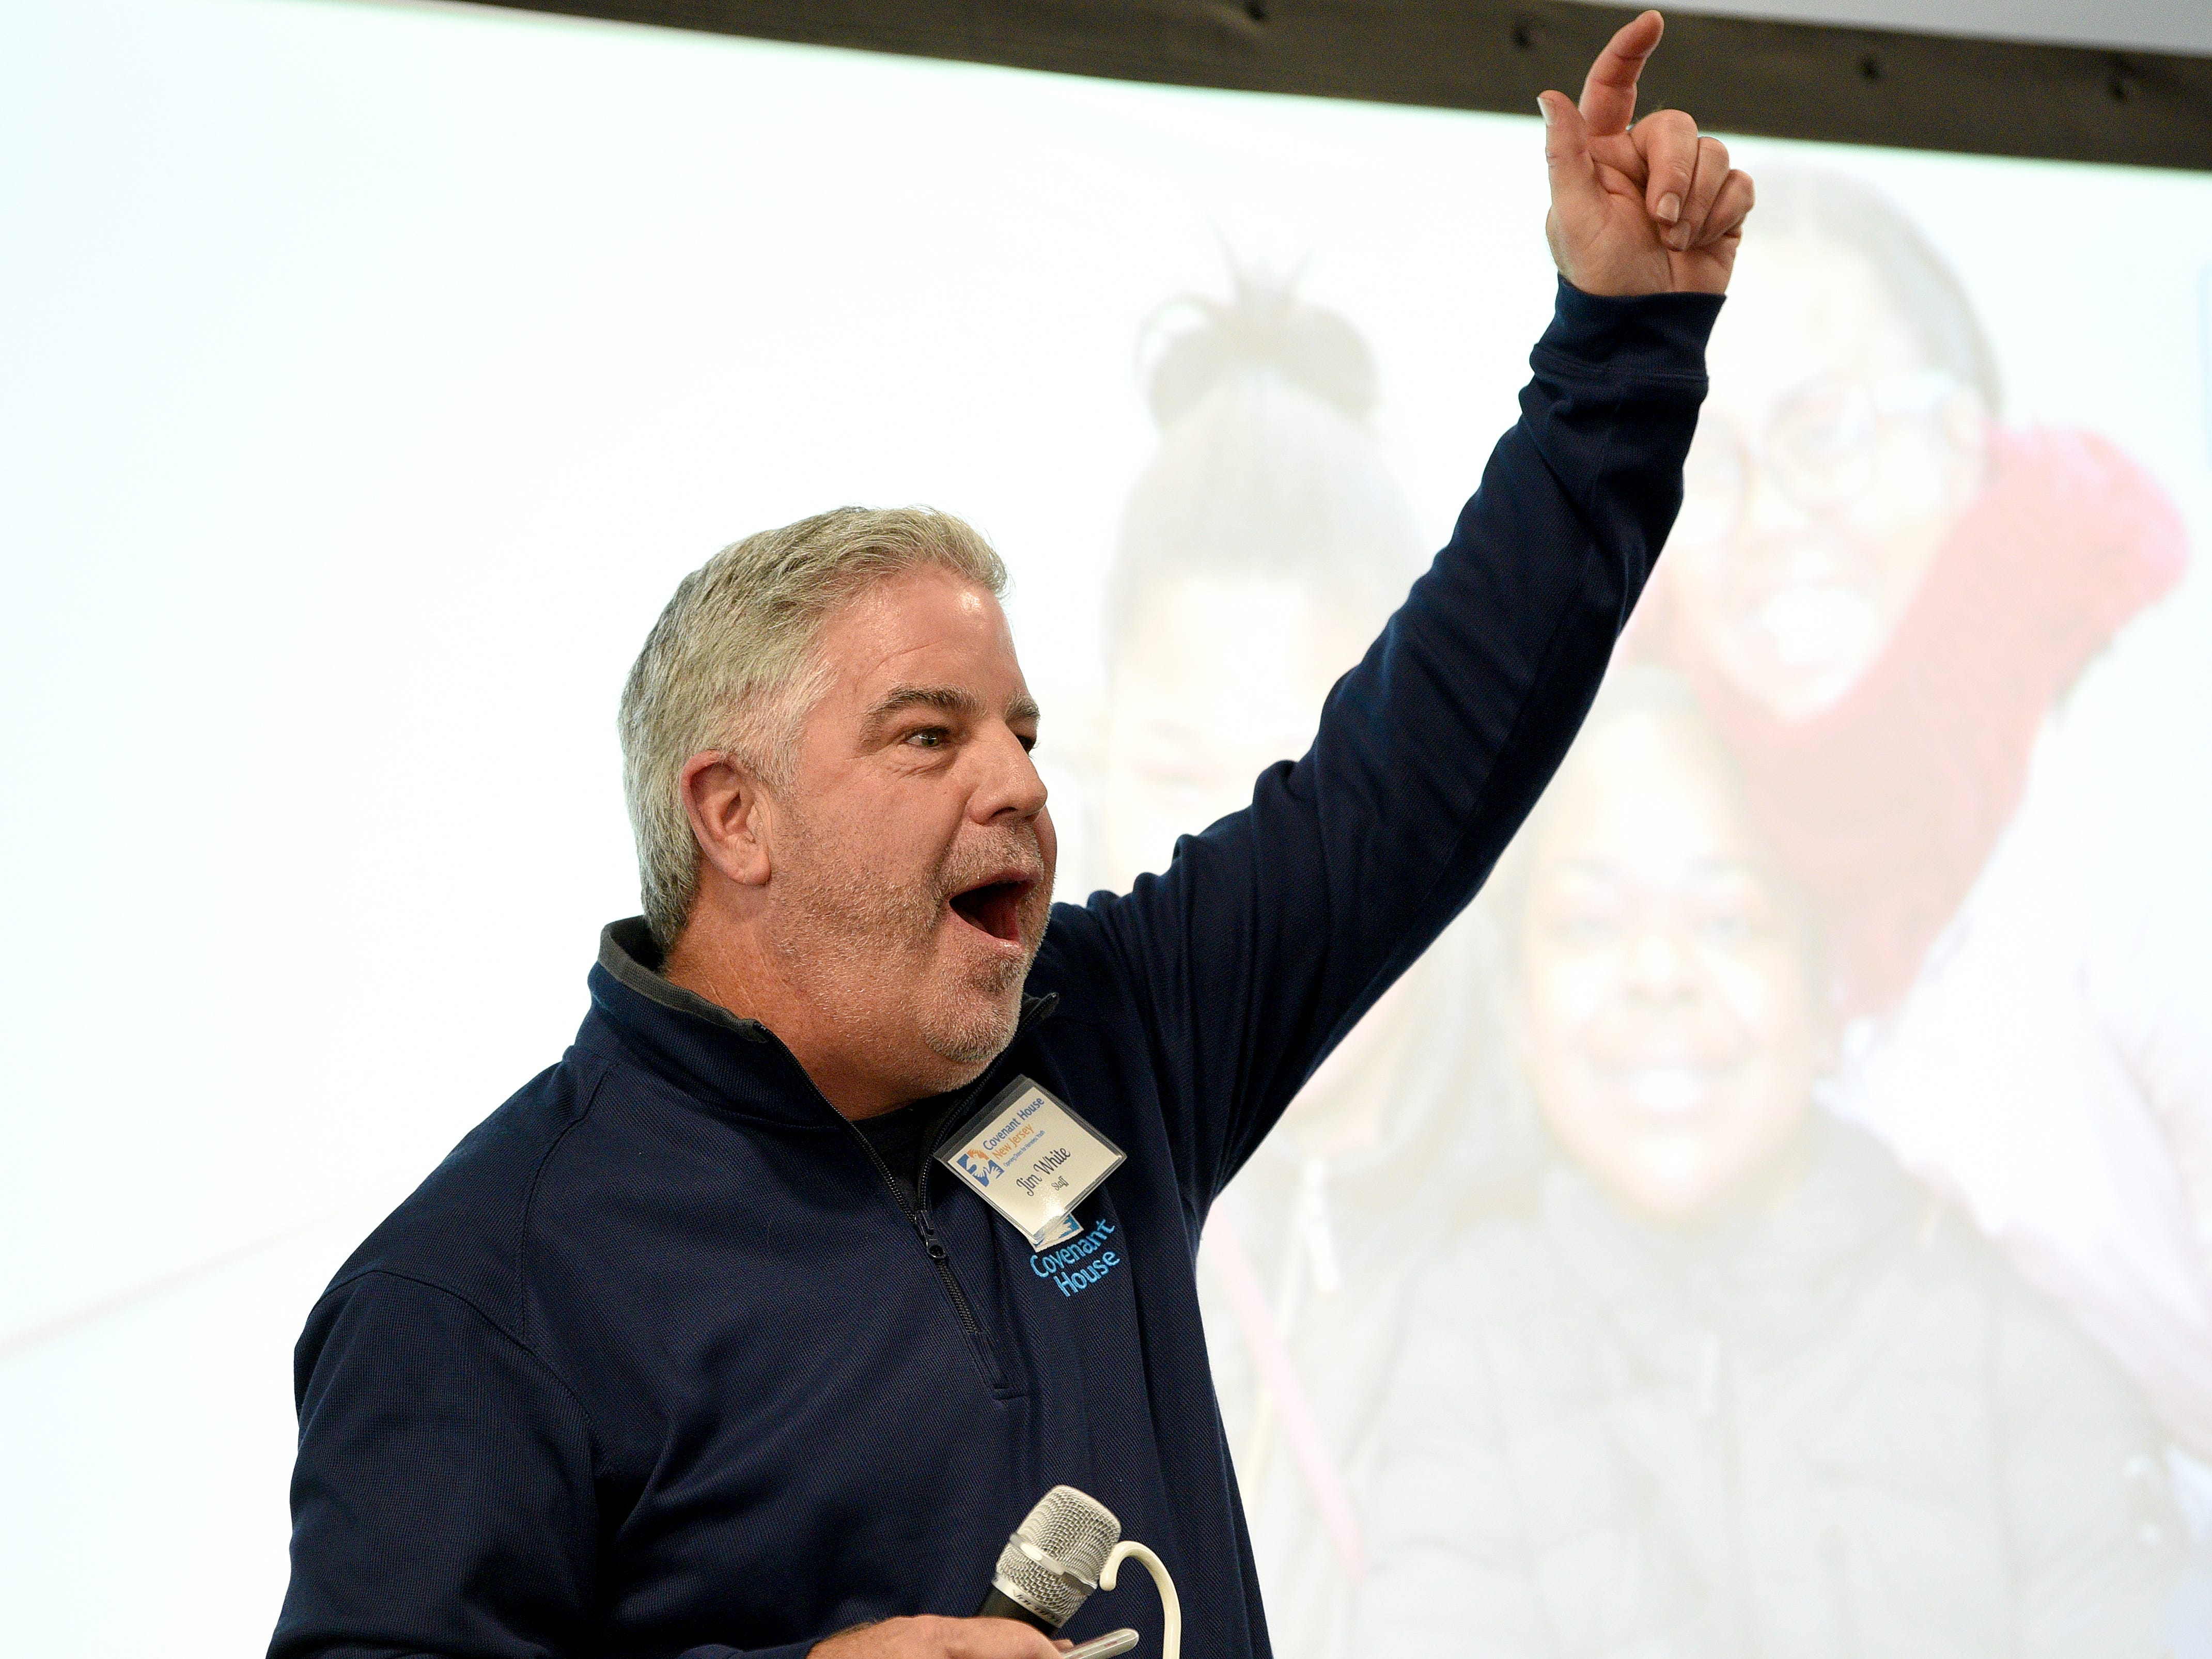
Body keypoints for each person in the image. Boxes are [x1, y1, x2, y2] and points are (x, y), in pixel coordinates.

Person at [267, 14, 1754, 1659]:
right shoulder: (482, 1287)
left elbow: (1417, 769)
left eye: (1027, 734)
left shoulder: (1110, 1042)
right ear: (732, 814)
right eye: (930, 734)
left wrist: (1624, 345)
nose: (1022, 788)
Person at [1354, 668, 2185, 1658]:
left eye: (1727, 921)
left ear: (1830, 992)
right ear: (1516, 1011)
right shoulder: (1470, 1332)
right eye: (1586, 923)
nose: (1658, 974)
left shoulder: (2012, 1310)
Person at [1630, 170, 2212, 1459]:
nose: (1772, 517)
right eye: (1714, 465)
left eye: (1825, 430)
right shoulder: (1694, 803)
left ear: (1964, 446)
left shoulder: (2156, 780)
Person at [1091, 265, 1513, 1659]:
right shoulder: (1002, 1205)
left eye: (1300, 780)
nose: (1236, 844)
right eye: (1173, 764)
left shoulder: (1579, 1171)